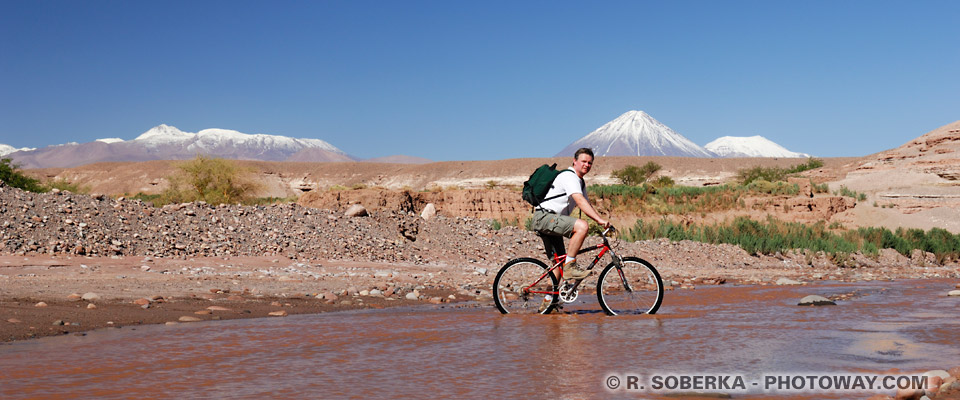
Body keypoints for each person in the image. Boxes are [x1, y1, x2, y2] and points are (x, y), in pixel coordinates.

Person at [530, 147, 610, 283]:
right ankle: (570, 266)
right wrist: (599, 220)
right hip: (545, 218)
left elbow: (586, 204)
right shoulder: (569, 176)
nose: (587, 165)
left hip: (550, 220)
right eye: (583, 161)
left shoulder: (580, 181)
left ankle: (549, 302)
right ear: (574, 161)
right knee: (582, 226)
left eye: (590, 163)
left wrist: (601, 221)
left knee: (557, 265)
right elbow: (579, 200)